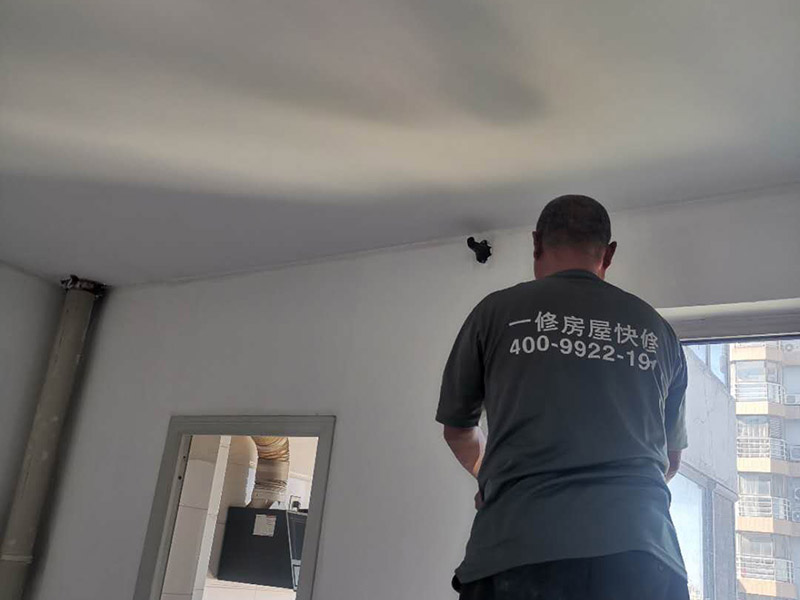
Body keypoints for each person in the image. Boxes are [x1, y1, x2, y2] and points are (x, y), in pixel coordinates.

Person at [436, 195, 690, 600]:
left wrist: (495, 478)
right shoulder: (658, 332)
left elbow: (458, 431)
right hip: (643, 554)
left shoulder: (495, 313)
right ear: (609, 254)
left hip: (516, 549)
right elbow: (670, 461)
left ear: (536, 243)